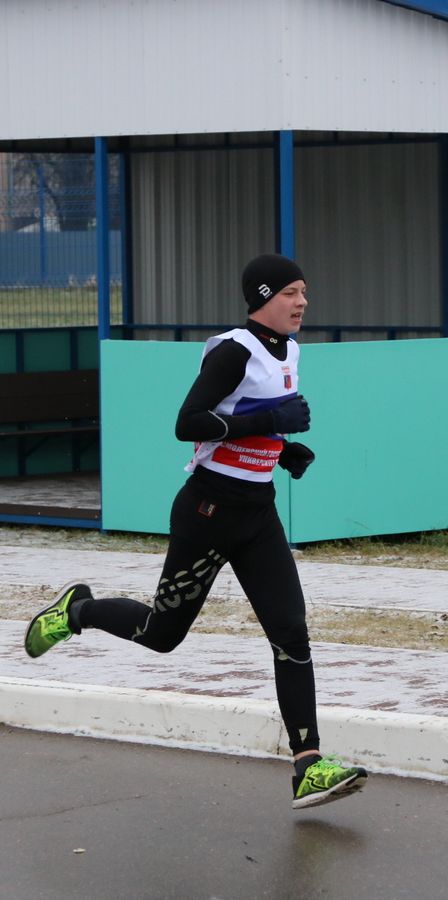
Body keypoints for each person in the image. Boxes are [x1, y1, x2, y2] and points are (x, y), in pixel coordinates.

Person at [24, 253, 368, 810]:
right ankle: (78, 611)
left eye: (304, 291)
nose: (302, 302)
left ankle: (308, 766)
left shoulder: (290, 350)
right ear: (262, 298)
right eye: (290, 293)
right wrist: (269, 423)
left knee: (291, 633)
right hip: (208, 513)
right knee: (161, 635)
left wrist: (282, 451)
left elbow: (245, 419)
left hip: (257, 514)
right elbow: (189, 423)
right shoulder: (235, 350)